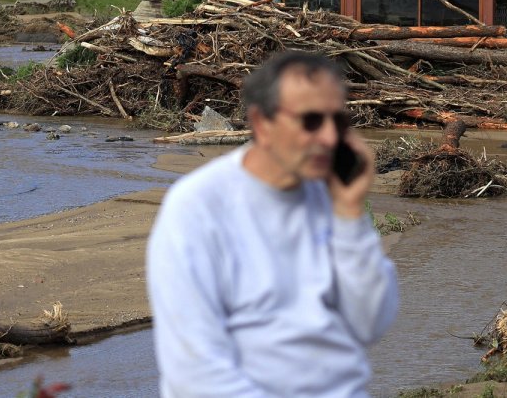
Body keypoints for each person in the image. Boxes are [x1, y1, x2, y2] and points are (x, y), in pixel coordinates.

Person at [146, 50, 398, 397]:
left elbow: (370, 323)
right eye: (310, 121)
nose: (328, 138)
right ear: (262, 124)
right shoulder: (198, 209)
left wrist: (351, 214)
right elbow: (195, 375)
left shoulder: (334, 198)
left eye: (337, 122)